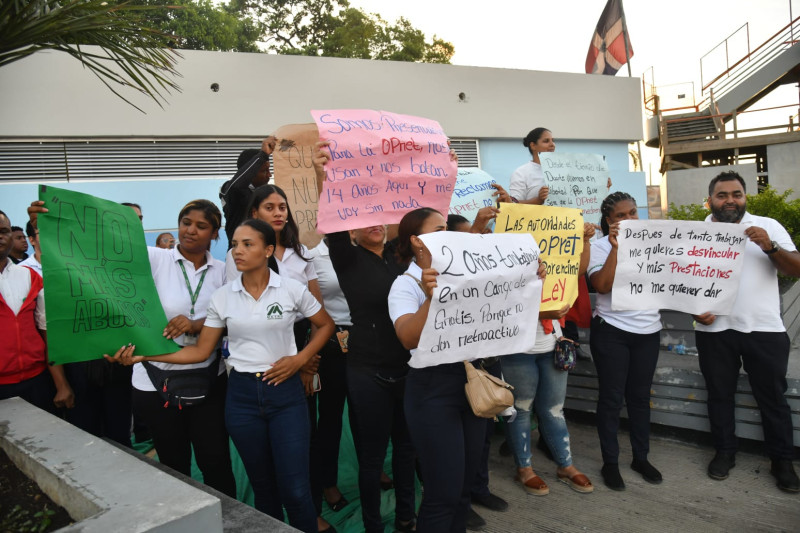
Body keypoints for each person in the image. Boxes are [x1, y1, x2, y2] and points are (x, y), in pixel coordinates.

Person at [107, 218, 335, 533]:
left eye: (247, 244)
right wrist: (144, 356)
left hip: (285, 395)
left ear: (268, 250)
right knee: (263, 488)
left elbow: (325, 324)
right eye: (234, 244)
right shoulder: (223, 297)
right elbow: (200, 352)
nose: (237, 251)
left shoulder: (291, 290)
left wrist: (300, 359)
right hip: (240, 397)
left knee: (296, 489)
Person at [313, 145, 418, 533]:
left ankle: (407, 517)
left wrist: (447, 175)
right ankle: (374, 525)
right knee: (373, 457)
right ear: (353, 230)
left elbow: (430, 226)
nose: (374, 222)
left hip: (407, 367)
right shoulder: (347, 257)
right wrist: (326, 176)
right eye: (364, 217)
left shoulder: (400, 259)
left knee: (406, 450)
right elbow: (334, 220)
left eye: (380, 216)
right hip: (367, 370)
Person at [389, 207, 508, 533]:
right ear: (417, 240)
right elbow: (407, 338)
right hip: (431, 390)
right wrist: (431, 298)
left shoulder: (464, 276)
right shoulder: (406, 285)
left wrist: (527, 278)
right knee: (442, 494)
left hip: (468, 385)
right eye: (440, 229)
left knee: (461, 492)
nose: (451, 235)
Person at [693, 171, 800, 493]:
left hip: (763, 328)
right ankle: (725, 452)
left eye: (736, 194)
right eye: (722, 195)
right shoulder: (695, 232)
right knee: (719, 395)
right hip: (714, 330)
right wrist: (693, 310)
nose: (730, 200)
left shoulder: (767, 226)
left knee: (773, 399)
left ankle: (782, 461)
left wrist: (770, 247)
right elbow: (679, 281)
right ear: (710, 199)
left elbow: (795, 267)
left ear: (745, 198)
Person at [131, 199, 236, 497]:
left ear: (215, 234)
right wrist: (46, 223)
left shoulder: (223, 272)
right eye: (185, 222)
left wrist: (197, 323)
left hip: (208, 379)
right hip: (154, 382)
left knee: (216, 461)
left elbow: (234, 315)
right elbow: (100, 252)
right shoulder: (155, 258)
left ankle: (230, 522)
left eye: (201, 226)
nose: (190, 231)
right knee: (174, 465)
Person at [502, 222, 596, 497]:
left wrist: (585, 242)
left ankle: (565, 466)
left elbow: (576, 271)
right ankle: (524, 469)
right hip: (517, 350)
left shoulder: (556, 263)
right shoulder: (503, 268)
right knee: (521, 410)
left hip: (552, 345)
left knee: (554, 409)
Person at [587, 192, 663, 491]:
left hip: (648, 332)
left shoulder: (655, 242)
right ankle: (610, 462)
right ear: (609, 222)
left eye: (633, 212)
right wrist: (616, 248)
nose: (630, 219)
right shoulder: (599, 246)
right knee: (611, 399)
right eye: (621, 216)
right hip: (612, 331)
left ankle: (640, 458)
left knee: (640, 399)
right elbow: (602, 285)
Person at [446, 208, 509, 531]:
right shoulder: (446, 277)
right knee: (462, 446)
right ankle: (460, 502)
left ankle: (478, 489)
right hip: (460, 369)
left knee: (484, 434)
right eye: (469, 237)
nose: (479, 242)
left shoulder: (491, 271)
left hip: (489, 362)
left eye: (482, 236)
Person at [0, 210, 74, 413]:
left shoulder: (30, 277)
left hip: (38, 381)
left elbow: (47, 333)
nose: (0, 236)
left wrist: (61, 384)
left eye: (4, 231)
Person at [308, 237, 353, 518]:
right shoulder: (313, 258)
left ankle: (372, 475)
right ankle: (328, 482)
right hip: (332, 341)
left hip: (367, 340)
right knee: (331, 417)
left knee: (366, 412)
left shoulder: (363, 252)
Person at [219, 137, 277, 245]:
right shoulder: (231, 191)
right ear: (250, 172)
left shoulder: (263, 193)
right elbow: (237, 186)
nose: (269, 175)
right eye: (265, 171)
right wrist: (263, 155)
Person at [508, 128, 555, 205]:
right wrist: (538, 200)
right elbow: (513, 204)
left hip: (563, 217)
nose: (552, 144)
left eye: (553, 140)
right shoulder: (521, 173)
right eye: (546, 141)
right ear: (533, 146)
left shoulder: (564, 170)